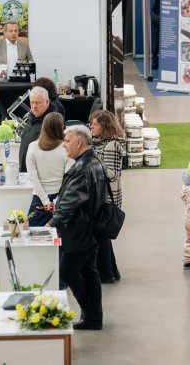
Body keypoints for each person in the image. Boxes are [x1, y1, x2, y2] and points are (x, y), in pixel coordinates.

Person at [45, 124, 108, 330]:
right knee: (90, 272)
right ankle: (93, 318)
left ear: (79, 142)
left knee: (66, 271)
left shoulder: (82, 168)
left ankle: (89, 311)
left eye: (67, 141)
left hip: (81, 232)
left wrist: (50, 224)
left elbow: (71, 203)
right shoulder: (94, 161)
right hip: (92, 230)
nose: (64, 145)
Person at [89, 110, 126, 283]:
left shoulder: (111, 145)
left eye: (95, 124)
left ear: (104, 126)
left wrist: (89, 169)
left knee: (101, 235)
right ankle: (112, 271)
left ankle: (107, 274)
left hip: (107, 200)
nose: (91, 127)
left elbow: (111, 173)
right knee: (103, 237)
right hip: (102, 197)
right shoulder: (99, 143)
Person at [0, 21, 33, 126]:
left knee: (20, 115)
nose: (13, 33)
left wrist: (28, 78)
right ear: (5, 32)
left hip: (19, 86)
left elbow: (30, 63)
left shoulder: (24, 46)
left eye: (15, 31)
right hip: (0, 86)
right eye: (11, 31)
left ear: (18, 32)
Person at [26, 112, 74, 227]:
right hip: (61, 199)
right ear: (61, 128)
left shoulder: (32, 147)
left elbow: (33, 178)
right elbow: (68, 179)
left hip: (39, 198)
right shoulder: (66, 148)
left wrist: (46, 201)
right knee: (60, 235)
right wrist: (55, 201)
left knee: (33, 234)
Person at [19, 86, 58, 172]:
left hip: (39, 173)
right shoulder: (31, 118)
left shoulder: (52, 122)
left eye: (37, 103)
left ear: (47, 102)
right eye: (32, 102)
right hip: (25, 171)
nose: (34, 106)